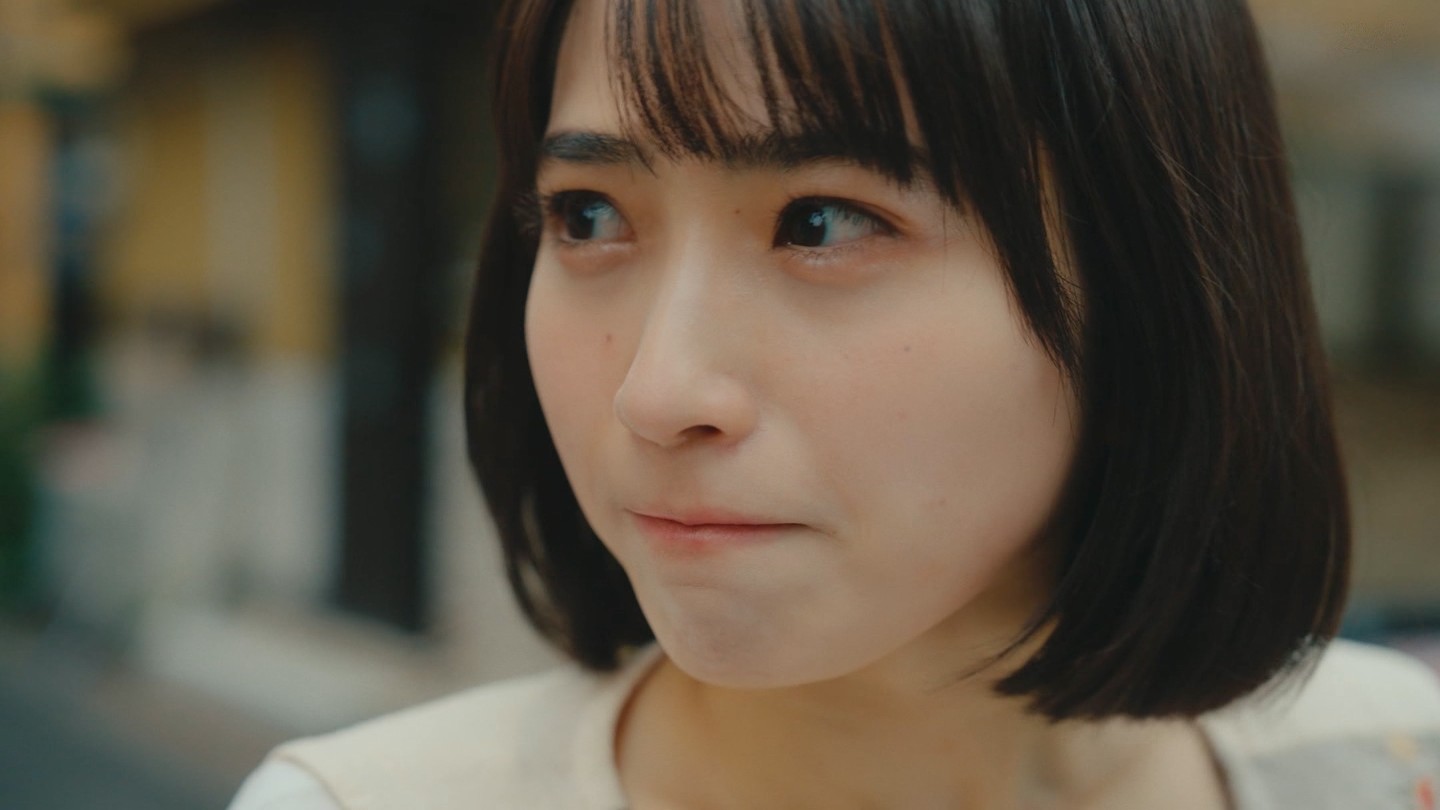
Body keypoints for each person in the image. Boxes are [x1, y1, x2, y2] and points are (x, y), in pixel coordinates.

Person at [230, 0, 1440, 807]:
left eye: (822, 223)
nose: (658, 392)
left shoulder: (1391, 766)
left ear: (1147, 291)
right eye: (588, 216)